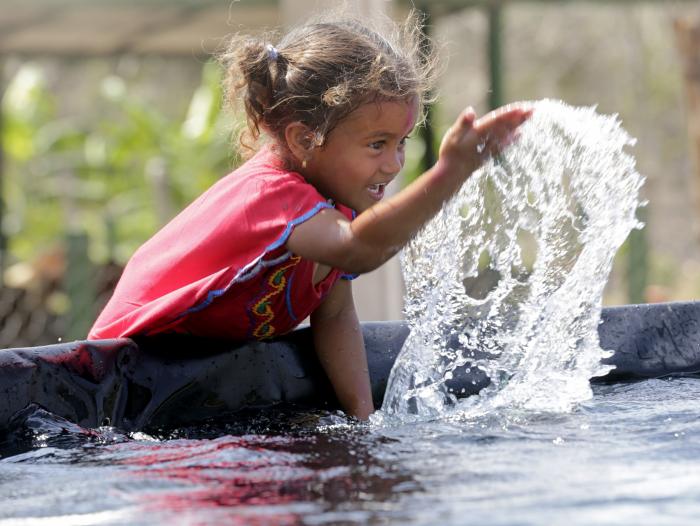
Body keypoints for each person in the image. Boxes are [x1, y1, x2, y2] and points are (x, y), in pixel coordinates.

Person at [88, 13, 531, 420]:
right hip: (105, 389)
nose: (395, 163)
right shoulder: (270, 196)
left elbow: (335, 317)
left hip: (181, 385)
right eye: (377, 144)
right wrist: (450, 173)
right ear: (304, 139)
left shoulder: (331, 206)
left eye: (402, 142)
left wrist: (365, 423)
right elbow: (359, 249)